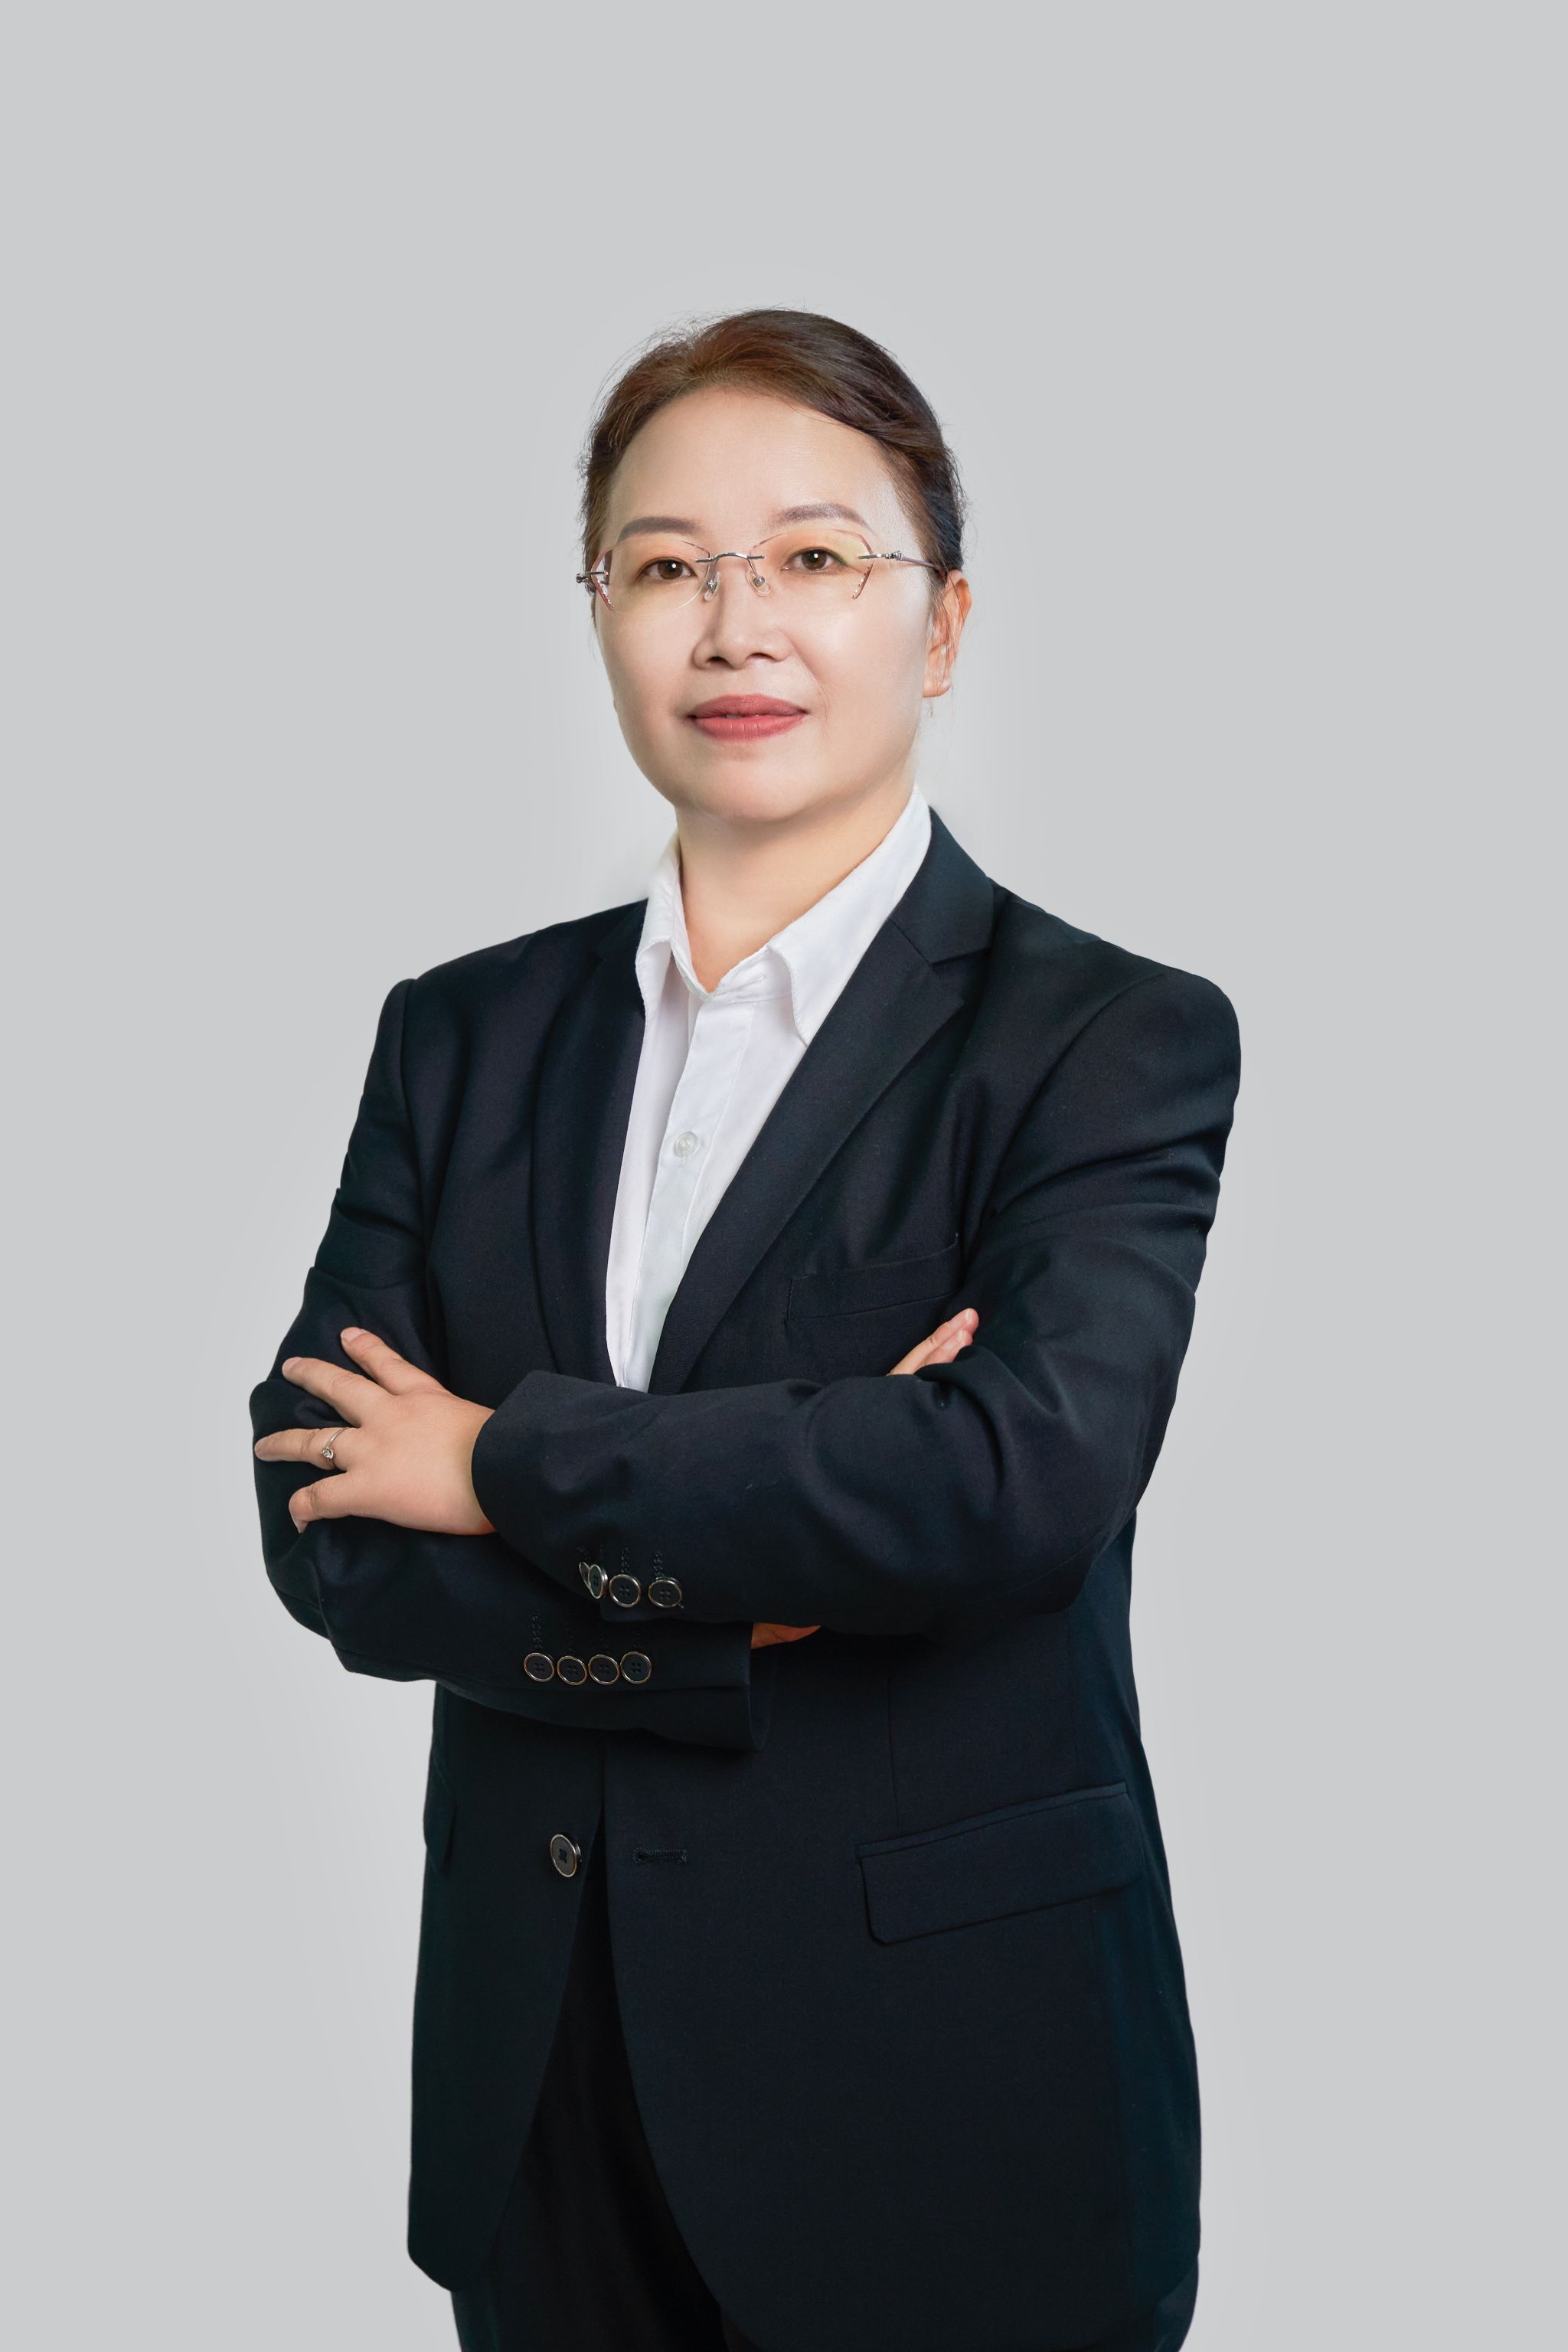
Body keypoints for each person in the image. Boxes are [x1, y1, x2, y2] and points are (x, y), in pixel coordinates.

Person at [249, 306, 1241, 2352]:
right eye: (665, 565)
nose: (736, 624)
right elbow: (326, 1518)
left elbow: (1005, 1487)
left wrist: (497, 1462)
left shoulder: (1103, 1039)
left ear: (941, 624)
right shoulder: (461, 1035)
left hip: (948, 2095)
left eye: (812, 556)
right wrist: (740, 1595)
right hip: (544, 2096)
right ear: (601, 614)